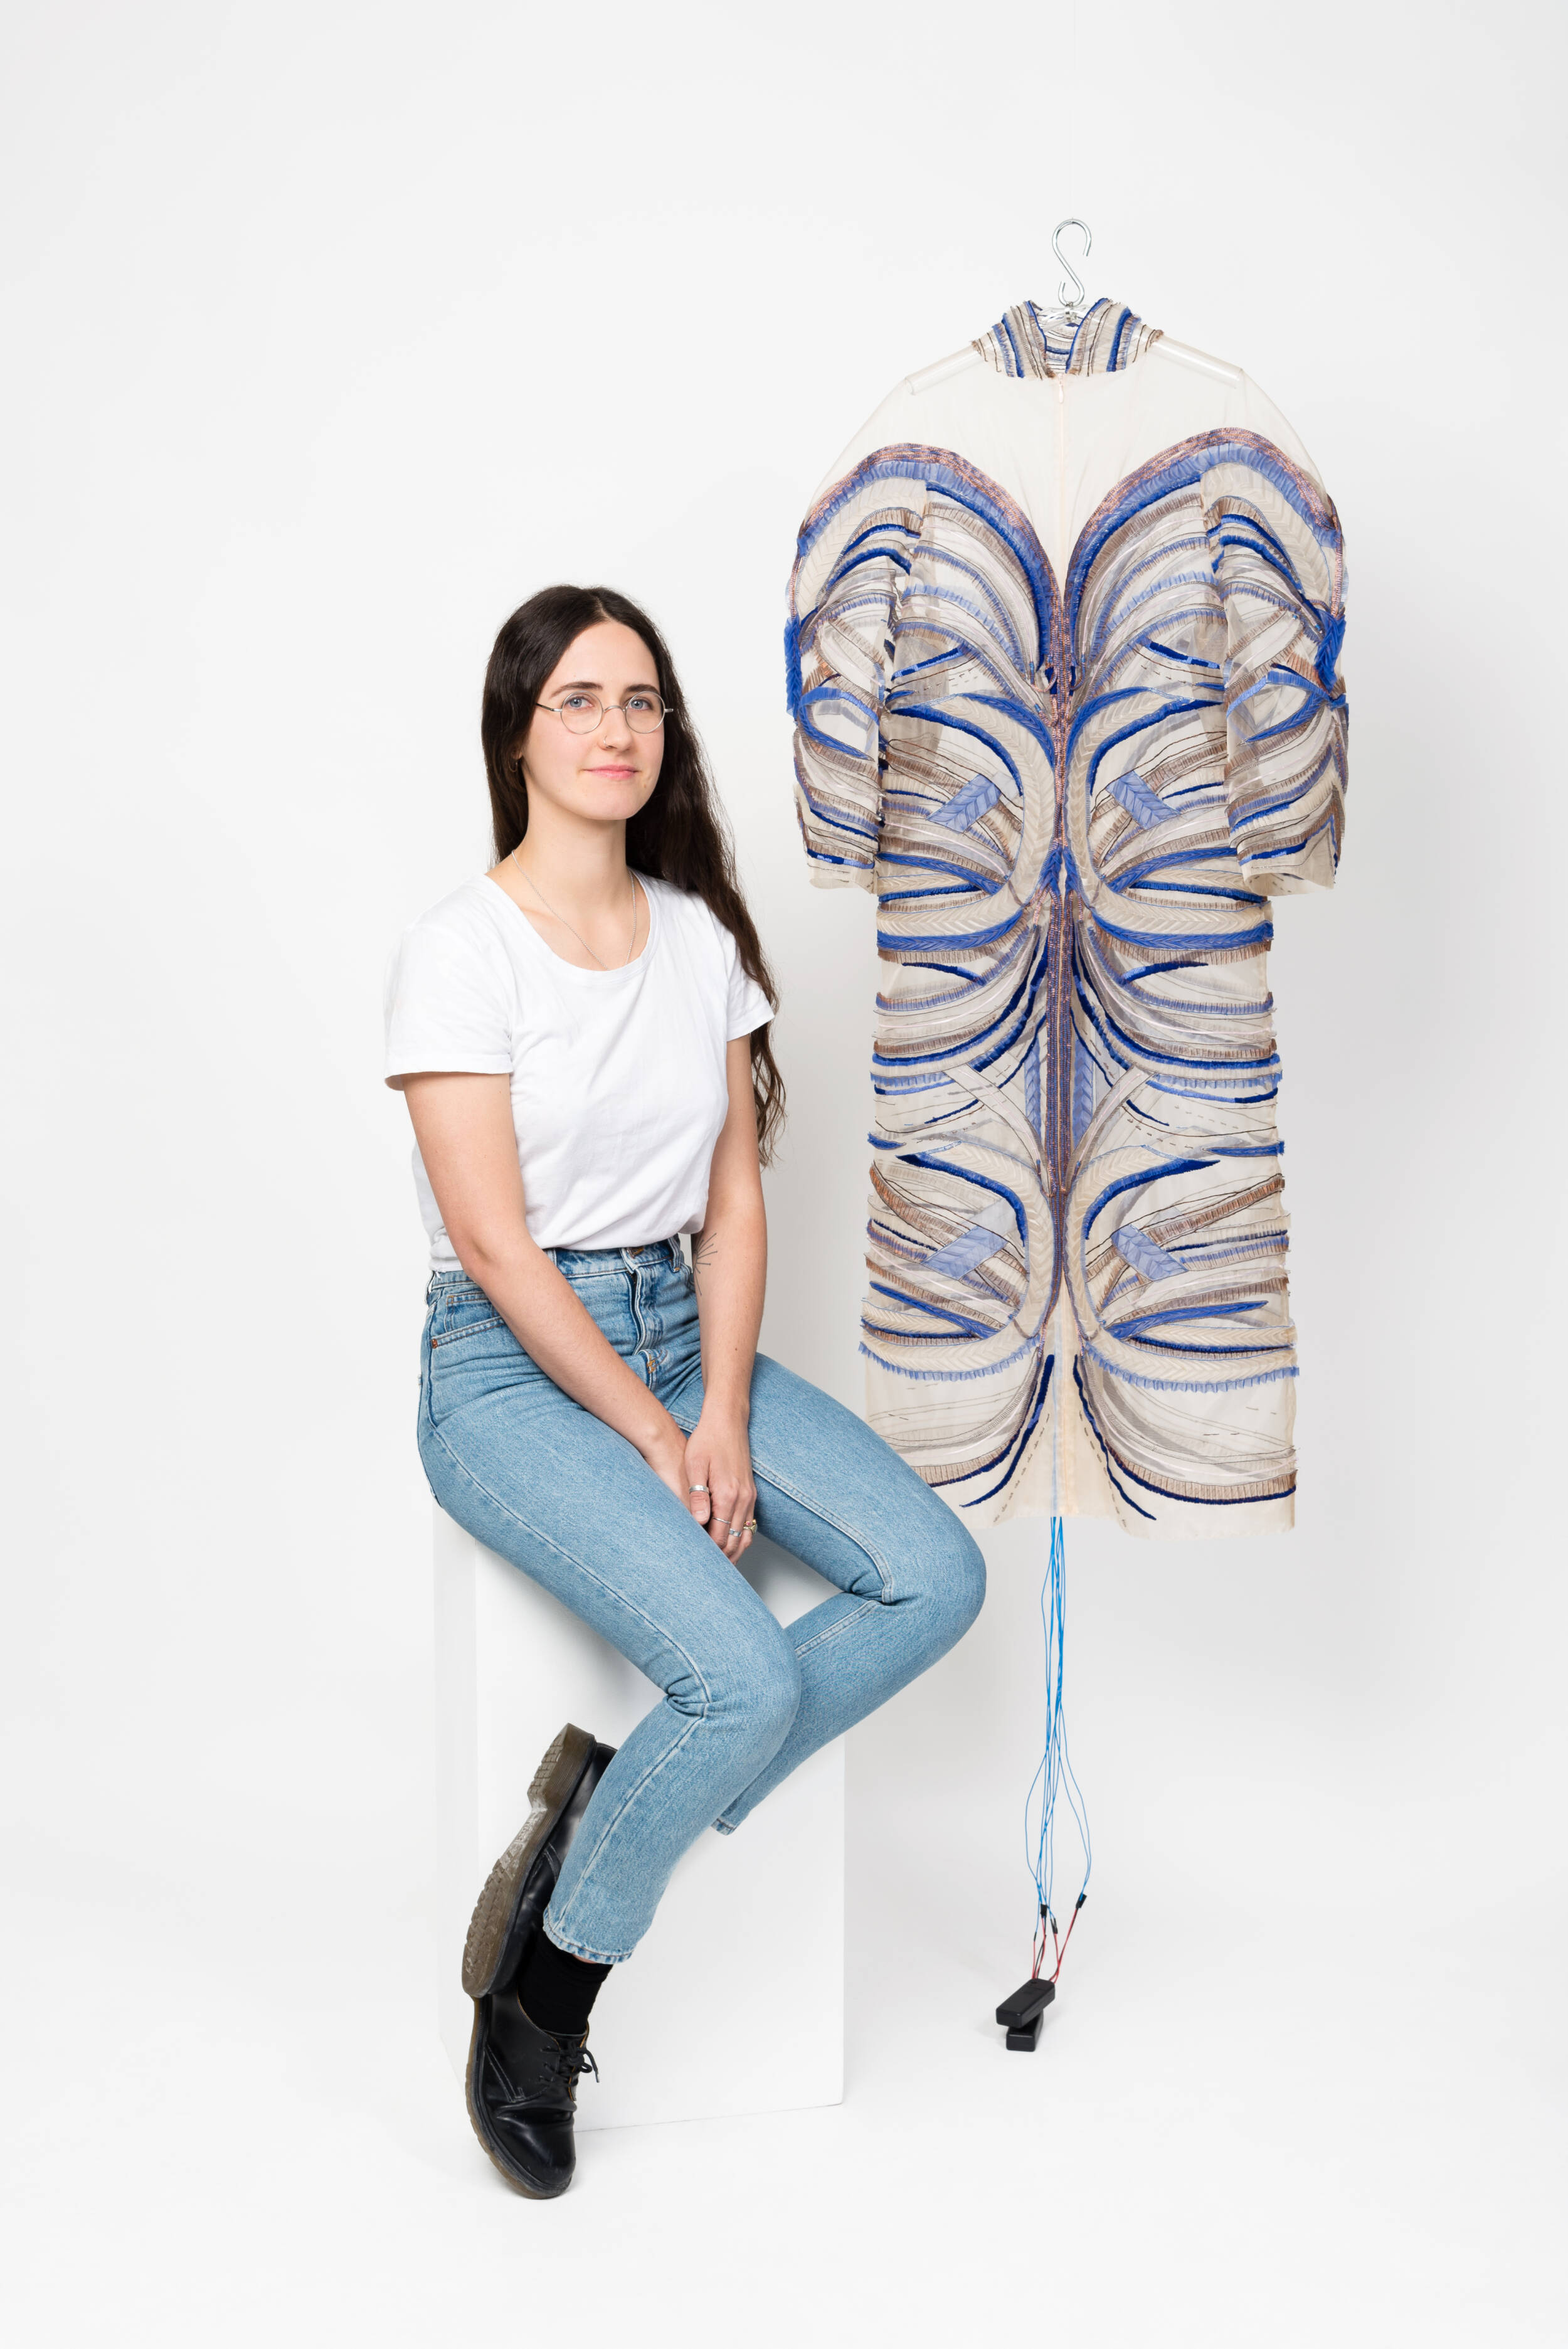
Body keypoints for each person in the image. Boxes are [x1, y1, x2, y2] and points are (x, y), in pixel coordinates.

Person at [383, 585, 987, 2198]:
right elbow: (497, 1247)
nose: (616, 729)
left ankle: (599, 1827)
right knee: (739, 1680)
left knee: (934, 1576)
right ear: (518, 732)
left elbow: (732, 1201)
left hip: (679, 1330)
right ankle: (544, 1993)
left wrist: (714, 1409)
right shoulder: (458, 952)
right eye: (578, 700)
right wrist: (654, 1432)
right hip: (505, 1371)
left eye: (640, 700)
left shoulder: (698, 939)